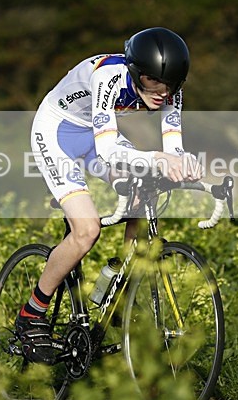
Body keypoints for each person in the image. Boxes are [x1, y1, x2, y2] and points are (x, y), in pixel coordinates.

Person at [17, 27, 203, 363]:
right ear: (135, 73)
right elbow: (107, 151)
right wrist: (158, 159)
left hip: (95, 134)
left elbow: (173, 145)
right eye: (151, 82)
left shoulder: (170, 87)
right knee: (87, 231)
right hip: (57, 131)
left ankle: (116, 284)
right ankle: (32, 313)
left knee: (143, 192)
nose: (162, 92)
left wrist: (182, 163)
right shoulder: (109, 75)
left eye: (171, 84)